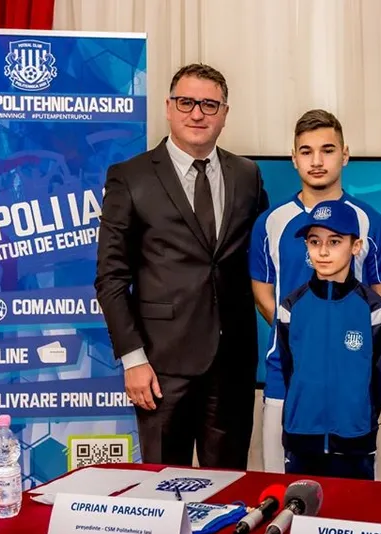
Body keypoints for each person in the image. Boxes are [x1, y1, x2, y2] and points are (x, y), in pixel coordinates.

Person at [95, 63, 268, 469]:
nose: (197, 114)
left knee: (228, 486)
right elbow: (111, 277)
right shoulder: (130, 177)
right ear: (169, 108)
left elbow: (263, 259)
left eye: (210, 105)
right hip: (160, 367)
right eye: (187, 102)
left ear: (224, 114)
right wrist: (133, 360)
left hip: (233, 364)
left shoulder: (248, 175)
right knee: (162, 486)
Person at [249, 109, 381, 473]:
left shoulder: (372, 223)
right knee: (285, 492)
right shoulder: (270, 223)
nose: (317, 161)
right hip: (285, 382)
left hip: (350, 389)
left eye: (328, 150)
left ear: (345, 155)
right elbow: (263, 294)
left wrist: (341, 346)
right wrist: (307, 339)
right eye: (306, 151)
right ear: (294, 158)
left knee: (350, 496)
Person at [275, 200, 381, 480]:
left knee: (352, 507)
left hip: (354, 442)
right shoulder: (291, 307)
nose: (323, 251)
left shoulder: (374, 310)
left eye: (334, 241)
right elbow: (289, 368)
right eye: (314, 242)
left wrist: (357, 416)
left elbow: (380, 375)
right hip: (301, 438)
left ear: (356, 246)